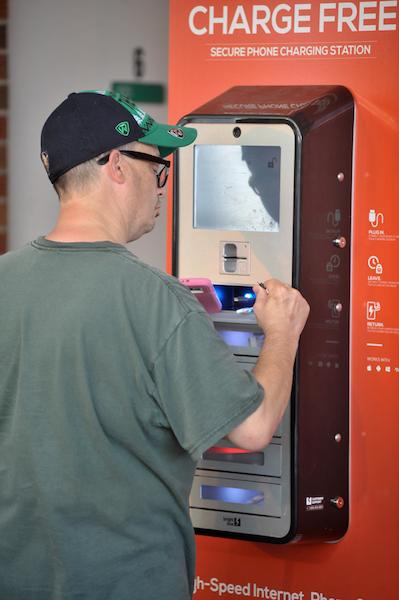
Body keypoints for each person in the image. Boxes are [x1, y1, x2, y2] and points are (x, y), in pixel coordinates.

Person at [0, 90, 309, 600]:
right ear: (117, 166)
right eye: (157, 168)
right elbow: (253, 430)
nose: (164, 187)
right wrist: (282, 333)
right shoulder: (154, 300)